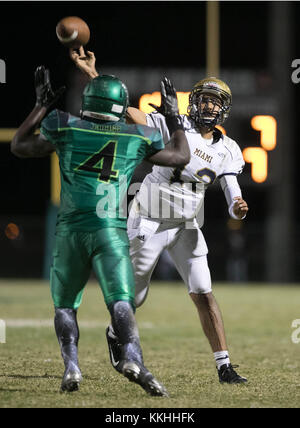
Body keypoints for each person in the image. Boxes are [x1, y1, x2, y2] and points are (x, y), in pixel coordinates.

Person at [71, 48, 249, 385]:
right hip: (150, 216)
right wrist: (95, 77)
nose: (208, 106)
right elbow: (128, 113)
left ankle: (224, 366)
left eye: (215, 101)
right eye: (204, 99)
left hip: (187, 223)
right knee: (134, 296)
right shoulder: (175, 124)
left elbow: (231, 187)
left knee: (204, 292)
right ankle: (114, 332)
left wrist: (236, 204)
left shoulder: (229, 149)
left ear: (223, 109)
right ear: (193, 102)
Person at [11, 65, 190, 395]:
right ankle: (134, 358)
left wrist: (40, 106)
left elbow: (19, 145)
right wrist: (174, 118)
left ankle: (72, 366)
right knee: (121, 302)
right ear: (120, 107)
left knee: (65, 306)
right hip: (109, 230)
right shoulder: (136, 137)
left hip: (70, 231)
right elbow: (181, 156)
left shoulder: (65, 127)